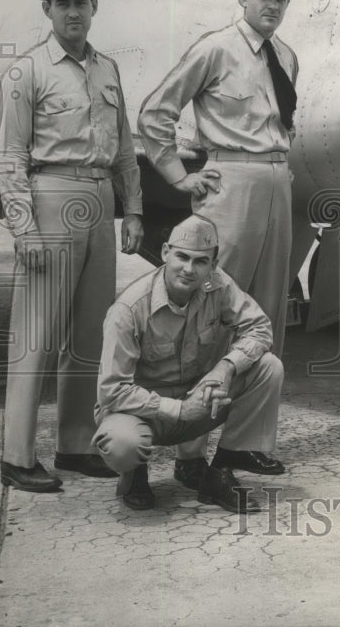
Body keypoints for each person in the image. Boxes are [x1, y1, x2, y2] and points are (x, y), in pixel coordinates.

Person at [138, 0, 300, 479]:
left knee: (266, 314)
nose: (272, 4)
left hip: (278, 183)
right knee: (212, 316)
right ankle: (191, 453)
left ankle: (240, 445)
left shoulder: (287, 57)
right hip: (230, 184)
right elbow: (156, 112)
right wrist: (178, 176)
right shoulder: (214, 50)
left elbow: (284, 125)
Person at [0, 0, 144, 493]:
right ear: (47, 10)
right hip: (50, 196)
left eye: (82, 1)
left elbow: (125, 147)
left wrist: (135, 210)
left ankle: (76, 444)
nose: (74, 11)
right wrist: (24, 229)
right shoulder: (28, 70)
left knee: (89, 334)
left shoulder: (108, 69)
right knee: (36, 335)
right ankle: (16, 455)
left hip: (100, 199)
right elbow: (10, 156)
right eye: (63, 3)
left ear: (94, 6)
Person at [94, 215, 284, 513]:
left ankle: (219, 469)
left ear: (213, 263)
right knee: (123, 444)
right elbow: (112, 390)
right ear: (166, 252)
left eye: (200, 261)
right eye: (182, 257)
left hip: (197, 399)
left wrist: (226, 368)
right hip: (143, 413)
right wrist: (180, 409)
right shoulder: (128, 309)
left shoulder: (218, 285)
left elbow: (260, 328)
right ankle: (134, 474)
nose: (189, 269)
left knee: (268, 368)